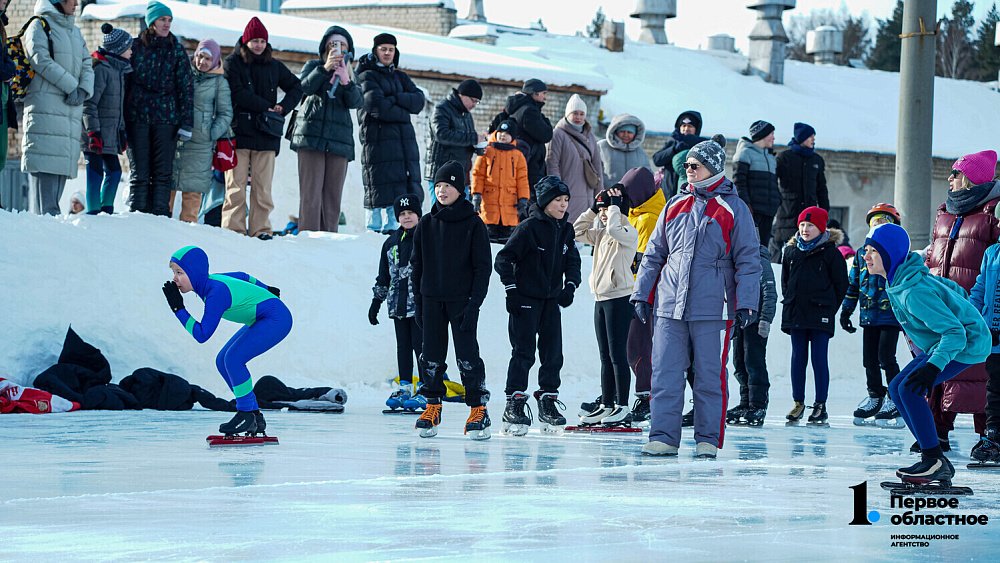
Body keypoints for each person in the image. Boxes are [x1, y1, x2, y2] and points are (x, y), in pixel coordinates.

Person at [632, 140, 761, 458]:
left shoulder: (734, 208)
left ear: (714, 167)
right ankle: (662, 436)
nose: (688, 171)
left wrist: (746, 302)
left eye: (695, 165)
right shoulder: (674, 205)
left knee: (709, 375)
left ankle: (707, 438)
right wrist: (642, 294)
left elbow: (748, 259)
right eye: (687, 166)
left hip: (713, 307)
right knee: (664, 373)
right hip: (669, 305)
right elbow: (654, 255)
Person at [864, 223, 990, 485]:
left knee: (908, 389)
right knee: (899, 388)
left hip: (966, 344)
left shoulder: (913, 292)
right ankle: (932, 458)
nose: (865, 256)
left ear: (889, 255)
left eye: (872, 251)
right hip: (944, 343)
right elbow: (952, 290)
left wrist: (933, 367)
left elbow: (956, 334)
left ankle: (933, 459)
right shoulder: (902, 280)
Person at [162, 246, 291, 436]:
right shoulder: (212, 280)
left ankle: (246, 414)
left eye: (180, 272)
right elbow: (243, 276)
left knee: (233, 359)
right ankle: (254, 414)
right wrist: (265, 288)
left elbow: (202, 335)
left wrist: (178, 309)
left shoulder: (216, 293)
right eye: (173, 272)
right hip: (263, 318)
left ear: (195, 273)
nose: (175, 278)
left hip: (276, 319)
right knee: (222, 361)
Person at [924, 149, 1000, 454]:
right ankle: (936, 431)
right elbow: (933, 253)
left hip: (978, 306)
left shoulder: (991, 213)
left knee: (982, 370)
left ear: (971, 178)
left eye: (956, 173)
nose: (950, 178)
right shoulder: (946, 212)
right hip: (943, 302)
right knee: (938, 363)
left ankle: (989, 434)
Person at [410, 161, 492, 439]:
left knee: (467, 356)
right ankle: (432, 405)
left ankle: (477, 407)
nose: (442, 191)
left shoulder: (473, 224)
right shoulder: (426, 223)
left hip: (462, 301)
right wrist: (419, 303)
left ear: (460, 189)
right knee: (430, 356)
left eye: (448, 186)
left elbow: (483, 268)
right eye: (438, 186)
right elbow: (416, 266)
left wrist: (474, 304)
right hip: (432, 300)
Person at [495, 176, 582, 434]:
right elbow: (503, 259)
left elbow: (573, 262)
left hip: (551, 301)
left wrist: (570, 286)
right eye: (557, 200)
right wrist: (511, 290)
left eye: (566, 200)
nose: (563, 205)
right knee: (523, 353)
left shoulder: (565, 230)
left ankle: (547, 401)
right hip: (525, 301)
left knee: (553, 354)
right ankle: (515, 403)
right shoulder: (528, 228)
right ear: (545, 202)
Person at [222, 17, 301, 239]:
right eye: (254, 40)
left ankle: (261, 230)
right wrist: (267, 106)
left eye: (262, 41)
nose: (258, 45)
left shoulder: (274, 66)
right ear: (246, 41)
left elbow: (296, 87)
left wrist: (283, 107)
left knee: (263, 189)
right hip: (238, 134)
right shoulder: (233, 63)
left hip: (267, 136)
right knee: (235, 187)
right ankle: (233, 229)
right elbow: (237, 93)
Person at [573, 187, 639, 425]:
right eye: (600, 210)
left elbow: (614, 227)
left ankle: (622, 405)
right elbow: (576, 231)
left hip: (620, 298)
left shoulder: (627, 232)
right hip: (600, 298)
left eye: (607, 209)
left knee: (617, 354)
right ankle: (607, 404)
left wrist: (614, 207)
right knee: (605, 356)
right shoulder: (600, 234)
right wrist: (592, 209)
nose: (603, 214)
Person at [21, 0, 94, 216]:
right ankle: (42, 241)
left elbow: (87, 64)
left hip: (68, 115)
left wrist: (83, 90)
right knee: (45, 202)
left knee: (57, 186)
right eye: (72, 0)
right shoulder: (39, 25)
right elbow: (40, 60)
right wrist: (72, 86)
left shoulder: (74, 32)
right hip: (45, 112)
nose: (77, 4)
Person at [290, 26, 363, 233]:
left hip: (339, 142)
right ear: (325, 48)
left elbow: (357, 102)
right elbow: (304, 87)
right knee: (310, 193)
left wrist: (347, 82)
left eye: (342, 46)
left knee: (332, 195)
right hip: (311, 137)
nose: (337, 49)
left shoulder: (351, 74)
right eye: (333, 45)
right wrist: (324, 69)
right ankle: (308, 234)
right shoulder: (313, 66)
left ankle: (330, 236)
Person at [780, 206, 849, 424]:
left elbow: (841, 285)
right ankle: (798, 402)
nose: (805, 229)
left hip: (820, 314)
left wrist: (829, 308)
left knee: (819, 358)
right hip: (796, 313)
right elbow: (786, 282)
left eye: (810, 225)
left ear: (821, 228)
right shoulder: (790, 252)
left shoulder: (831, 253)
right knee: (797, 357)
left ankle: (821, 404)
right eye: (802, 225)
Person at [124, 1, 193, 217]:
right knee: (140, 173)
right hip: (138, 117)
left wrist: (186, 122)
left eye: (169, 20)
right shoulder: (135, 47)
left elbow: (186, 87)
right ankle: (137, 215)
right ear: (151, 22)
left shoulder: (177, 50)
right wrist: (122, 119)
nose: (167, 24)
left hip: (167, 118)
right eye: (163, 19)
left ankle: (160, 216)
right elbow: (125, 83)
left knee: (163, 173)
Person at [840, 203, 903, 426]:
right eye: (875, 221)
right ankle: (876, 395)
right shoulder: (861, 254)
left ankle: (896, 399)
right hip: (869, 314)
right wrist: (846, 310)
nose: (879, 225)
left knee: (886, 357)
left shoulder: (897, 251)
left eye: (884, 221)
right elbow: (854, 284)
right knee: (869, 359)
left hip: (891, 315)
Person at [357, 32, 425, 233]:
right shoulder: (366, 75)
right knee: (379, 188)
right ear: (375, 51)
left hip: (402, 146)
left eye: (391, 49)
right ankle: (374, 230)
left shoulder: (401, 77)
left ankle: (395, 228)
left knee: (400, 190)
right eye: (383, 49)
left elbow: (419, 101)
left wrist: (393, 98)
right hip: (377, 144)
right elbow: (376, 107)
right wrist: (402, 105)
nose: (387, 53)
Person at [370, 194, 425, 411]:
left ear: (418, 215)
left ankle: (425, 387)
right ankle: (405, 386)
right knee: (403, 346)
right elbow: (384, 275)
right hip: (398, 305)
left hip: (421, 305)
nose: (407, 217)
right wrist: (376, 302)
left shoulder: (425, 238)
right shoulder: (390, 242)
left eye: (410, 212)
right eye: (402, 214)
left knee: (421, 347)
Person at [171, 39, 232, 223]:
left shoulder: (219, 82)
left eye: (207, 58)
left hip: (200, 145)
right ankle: (161, 231)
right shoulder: (183, 73)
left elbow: (226, 113)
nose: (202, 62)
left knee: (192, 194)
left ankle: (188, 233)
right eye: (200, 56)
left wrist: (210, 134)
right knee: (167, 190)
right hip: (176, 139)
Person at [621, 166, 664, 422]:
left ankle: (645, 396)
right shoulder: (636, 214)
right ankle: (644, 394)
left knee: (639, 347)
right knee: (633, 347)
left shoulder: (649, 218)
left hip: (643, 294)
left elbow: (644, 262)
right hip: (634, 290)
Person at [82, 24, 131, 215]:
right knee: (95, 172)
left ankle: (106, 209)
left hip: (109, 134)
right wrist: (93, 132)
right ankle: (93, 211)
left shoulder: (118, 71)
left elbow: (116, 108)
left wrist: (121, 131)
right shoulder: (100, 69)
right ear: (119, 49)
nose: (131, 51)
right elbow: (89, 104)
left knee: (115, 172)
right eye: (128, 48)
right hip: (94, 133)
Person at [727, 244, 777, 426]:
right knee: (739, 361)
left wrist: (765, 319)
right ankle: (745, 401)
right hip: (739, 319)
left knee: (753, 362)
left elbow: (770, 291)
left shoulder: (759, 258)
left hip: (755, 320)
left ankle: (758, 404)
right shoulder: (734, 256)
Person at [770, 122, 828, 263]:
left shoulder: (817, 160)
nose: (813, 139)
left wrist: (825, 210)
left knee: (809, 251)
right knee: (783, 251)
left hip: (810, 214)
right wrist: (778, 201)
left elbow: (822, 188)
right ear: (801, 138)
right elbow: (772, 182)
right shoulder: (784, 158)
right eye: (810, 136)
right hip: (787, 213)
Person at [425, 79, 484, 204]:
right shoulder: (442, 108)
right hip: (441, 173)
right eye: (473, 100)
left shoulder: (466, 114)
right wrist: (473, 138)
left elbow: (466, 139)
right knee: (439, 214)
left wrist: (478, 145)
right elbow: (441, 134)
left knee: (461, 216)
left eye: (477, 102)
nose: (474, 104)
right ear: (462, 95)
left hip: (461, 175)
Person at [545, 94, 603, 222]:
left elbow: (597, 165)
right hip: (567, 193)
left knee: (584, 231)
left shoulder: (590, 136)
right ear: (567, 114)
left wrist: (599, 192)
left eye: (582, 114)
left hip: (588, 194)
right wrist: (558, 191)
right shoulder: (558, 134)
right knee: (568, 227)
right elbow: (552, 164)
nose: (578, 117)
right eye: (575, 113)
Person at [471, 118, 528, 243]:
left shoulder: (518, 156)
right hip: (489, 202)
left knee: (507, 240)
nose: (503, 136)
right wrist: (476, 194)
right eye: (500, 133)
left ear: (512, 137)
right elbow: (478, 175)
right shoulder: (487, 151)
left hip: (510, 204)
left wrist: (523, 198)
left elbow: (522, 179)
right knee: (488, 238)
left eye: (507, 134)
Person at [970, 229, 1000, 465]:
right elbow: (980, 289)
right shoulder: (992, 252)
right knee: (995, 389)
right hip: (994, 338)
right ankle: (994, 436)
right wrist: (970, 317)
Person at [499, 79, 553, 195]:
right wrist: (546, 120)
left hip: (523, 162)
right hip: (530, 166)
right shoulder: (529, 111)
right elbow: (546, 134)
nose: (545, 97)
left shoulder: (518, 108)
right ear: (535, 93)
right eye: (544, 93)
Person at [733, 120, 780, 246]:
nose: (774, 137)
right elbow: (739, 182)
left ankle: (762, 266)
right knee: (749, 246)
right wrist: (746, 205)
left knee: (763, 247)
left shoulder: (771, 157)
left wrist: (777, 201)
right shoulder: (745, 153)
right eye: (771, 134)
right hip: (753, 212)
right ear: (763, 134)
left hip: (769, 211)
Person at [651, 110, 705, 195]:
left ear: (696, 129)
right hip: (668, 191)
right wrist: (674, 149)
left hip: (691, 191)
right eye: (683, 125)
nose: (686, 129)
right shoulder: (673, 142)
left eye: (690, 126)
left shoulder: (701, 145)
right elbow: (657, 160)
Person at [597, 113, 652, 189]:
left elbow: (647, 175)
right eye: (622, 131)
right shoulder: (602, 147)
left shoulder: (640, 153)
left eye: (630, 132)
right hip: (608, 196)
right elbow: (595, 172)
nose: (626, 135)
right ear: (615, 131)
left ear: (635, 134)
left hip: (632, 198)